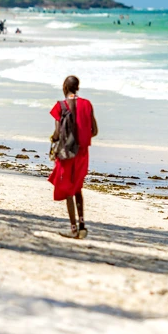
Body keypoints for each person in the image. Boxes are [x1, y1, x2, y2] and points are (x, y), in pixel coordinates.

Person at [49, 75, 98, 239]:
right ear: (77, 88)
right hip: (83, 152)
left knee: (67, 189)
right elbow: (95, 131)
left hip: (66, 152)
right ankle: (82, 225)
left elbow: (57, 133)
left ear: (64, 87)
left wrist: (54, 139)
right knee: (77, 188)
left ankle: (73, 228)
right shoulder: (87, 104)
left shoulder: (60, 106)